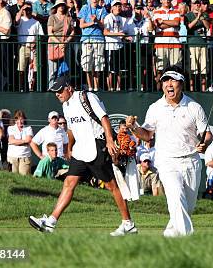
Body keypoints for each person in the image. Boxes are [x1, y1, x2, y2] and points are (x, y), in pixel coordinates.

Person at [29, 76, 137, 236]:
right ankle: (51, 222)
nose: (57, 95)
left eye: (59, 91)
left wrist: (109, 141)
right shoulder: (65, 106)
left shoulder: (87, 97)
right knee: (69, 182)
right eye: (55, 92)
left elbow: (104, 118)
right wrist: (70, 148)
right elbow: (71, 129)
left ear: (69, 88)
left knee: (111, 185)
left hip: (97, 145)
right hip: (81, 149)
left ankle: (128, 224)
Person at [126, 66, 211, 237]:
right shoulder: (155, 107)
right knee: (176, 196)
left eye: (173, 80)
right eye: (165, 80)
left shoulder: (194, 107)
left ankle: (170, 234)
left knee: (187, 206)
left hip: (191, 161)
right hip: (166, 160)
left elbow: (206, 134)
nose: (169, 84)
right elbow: (147, 135)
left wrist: (205, 144)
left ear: (181, 83)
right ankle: (189, 238)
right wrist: (134, 128)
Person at [7, 110, 33, 175]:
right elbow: (11, 140)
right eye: (17, 119)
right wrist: (24, 141)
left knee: (25, 178)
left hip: (25, 157)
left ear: (24, 119)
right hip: (12, 157)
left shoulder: (28, 128)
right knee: (12, 177)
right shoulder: (10, 128)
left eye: (21, 119)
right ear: (15, 120)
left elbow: (29, 140)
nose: (19, 121)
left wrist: (16, 142)